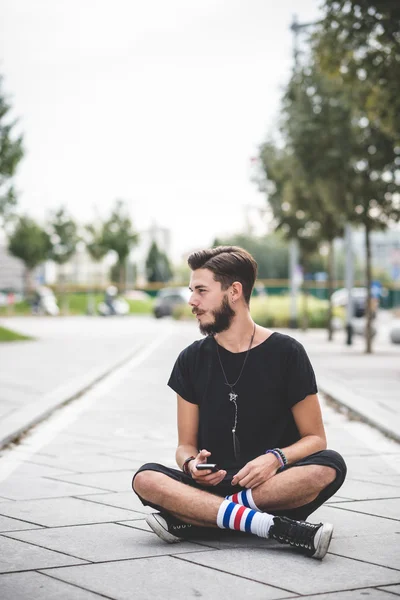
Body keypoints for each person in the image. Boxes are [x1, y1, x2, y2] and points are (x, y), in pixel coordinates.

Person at [132, 246, 347, 560]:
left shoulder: (287, 352)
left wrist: (275, 459)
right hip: (208, 486)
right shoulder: (190, 359)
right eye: (192, 291)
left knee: (330, 465)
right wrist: (191, 466)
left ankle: (200, 519)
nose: (192, 301)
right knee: (145, 478)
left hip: (270, 485)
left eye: (201, 291)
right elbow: (185, 446)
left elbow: (316, 439)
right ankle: (276, 528)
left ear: (234, 291)